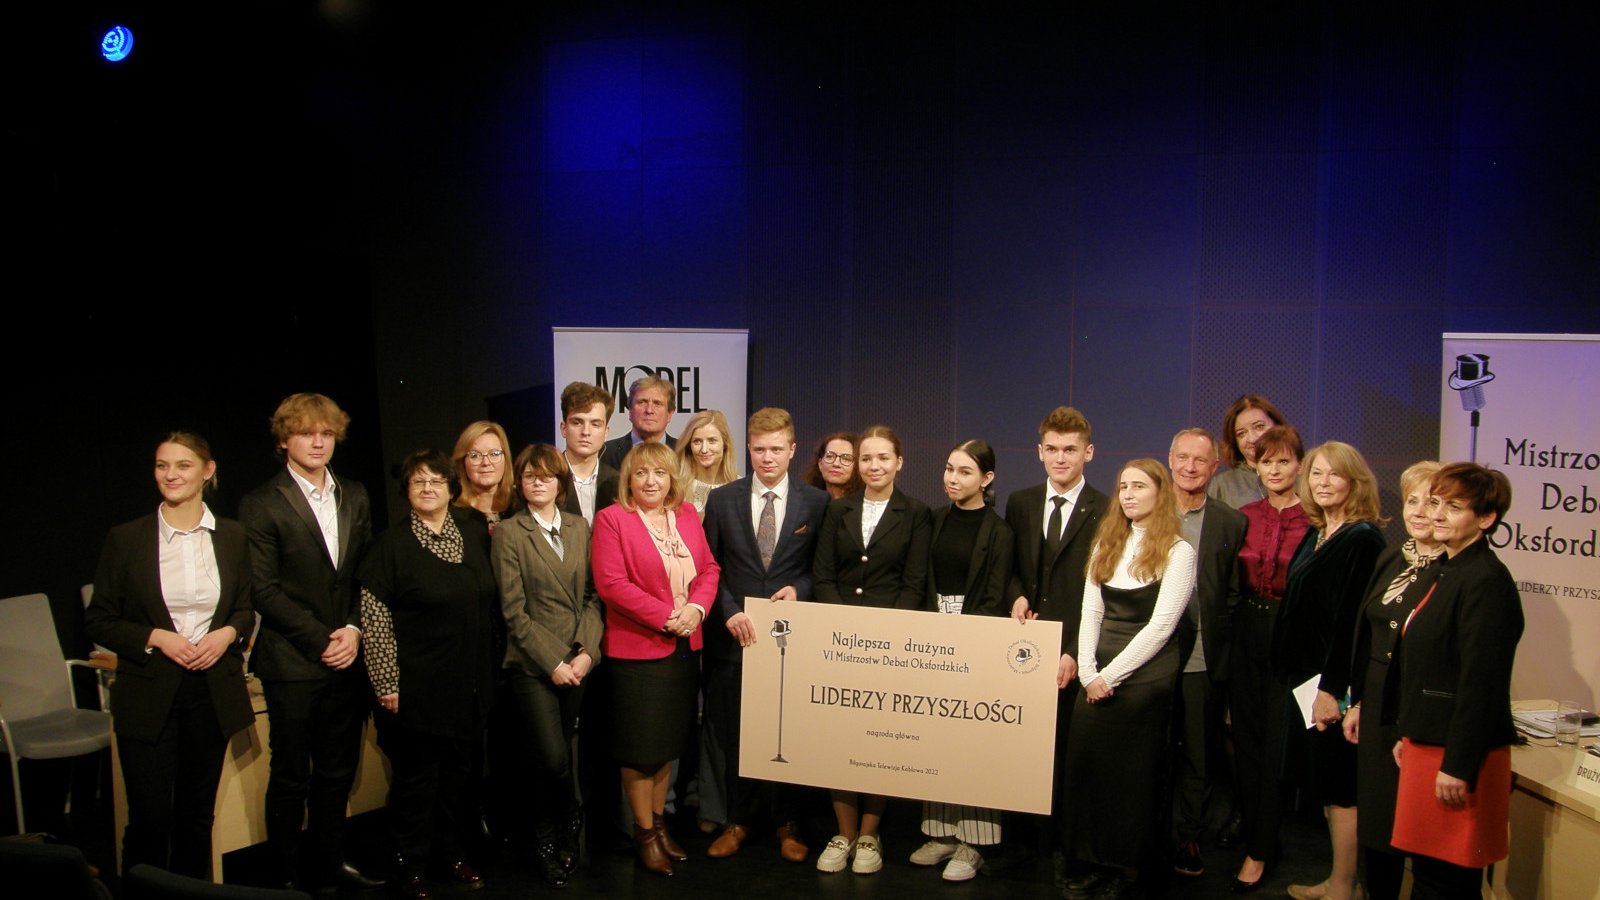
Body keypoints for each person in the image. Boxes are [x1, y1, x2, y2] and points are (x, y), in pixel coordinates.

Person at [85, 432, 255, 878]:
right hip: (148, 694)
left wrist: (228, 634)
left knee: (196, 819)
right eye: (162, 466)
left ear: (208, 471)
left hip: (210, 693)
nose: (170, 475)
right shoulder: (127, 538)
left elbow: (244, 609)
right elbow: (99, 620)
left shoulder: (232, 535)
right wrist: (157, 636)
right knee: (150, 820)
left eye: (182, 465)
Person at [237, 393, 382, 892]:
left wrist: (354, 630)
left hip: (347, 652)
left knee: (337, 772)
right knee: (291, 774)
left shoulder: (355, 494)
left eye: (326, 433)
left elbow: (365, 571)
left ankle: (330, 865)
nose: (318, 442)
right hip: (293, 659)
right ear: (284, 440)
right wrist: (324, 639)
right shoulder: (260, 502)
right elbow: (263, 589)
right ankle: (285, 877)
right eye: (305, 433)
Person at [1058, 459, 1197, 899]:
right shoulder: (1107, 541)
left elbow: (1161, 626)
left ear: (1160, 492)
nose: (1129, 494)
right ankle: (1088, 858)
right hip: (1097, 668)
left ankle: (1124, 867)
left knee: (1131, 775)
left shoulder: (1178, 552)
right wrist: (1087, 672)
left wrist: (1111, 677)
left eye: (1139, 486)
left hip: (1145, 672)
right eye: (1123, 487)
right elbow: (1091, 611)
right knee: (1087, 765)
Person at [359, 450, 495, 898]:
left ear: (452, 488)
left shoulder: (473, 531)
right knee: (417, 784)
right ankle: (411, 865)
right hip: (417, 689)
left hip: (468, 685)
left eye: (437, 481)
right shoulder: (390, 546)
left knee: (458, 780)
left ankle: (452, 855)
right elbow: (375, 619)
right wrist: (386, 683)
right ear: (406, 491)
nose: (428, 488)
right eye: (418, 482)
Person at [699, 408, 829, 862]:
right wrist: (729, 612)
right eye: (759, 449)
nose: (767, 457)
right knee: (737, 734)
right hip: (734, 639)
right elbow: (708, 567)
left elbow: (819, 569)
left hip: (791, 642)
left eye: (776, 449)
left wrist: (801, 590)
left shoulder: (817, 503)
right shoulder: (722, 500)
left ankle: (787, 823)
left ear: (792, 449)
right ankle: (738, 820)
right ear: (749, 450)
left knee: (788, 734)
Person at [1388, 464, 1522, 899]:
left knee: (1447, 882)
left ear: (1486, 518)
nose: (1438, 514)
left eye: (1454, 506)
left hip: (1458, 756)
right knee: (1429, 874)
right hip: (1429, 743)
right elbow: (1429, 665)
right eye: (1435, 503)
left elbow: (1481, 683)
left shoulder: (1486, 580)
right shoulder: (1446, 569)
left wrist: (1458, 765)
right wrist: (1409, 732)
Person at [590, 442, 721, 877]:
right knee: (639, 749)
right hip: (638, 652)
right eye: (642, 473)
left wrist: (696, 609)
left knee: (666, 746)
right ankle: (643, 833)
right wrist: (668, 617)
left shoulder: (686, 515)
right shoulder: (613, 519)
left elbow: (709, 569)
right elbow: (611, 584)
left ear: (671, 479)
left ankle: (660, 825)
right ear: (629, 479)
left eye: (659, 473)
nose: (651, 481)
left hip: (684, 649)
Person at [812, 424, 931, 875]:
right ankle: (843, 832)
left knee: (879, 740)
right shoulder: (837, 510)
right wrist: (845, 629)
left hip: (890, 646)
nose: (874, 466)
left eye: (883, 458)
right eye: (866, 459)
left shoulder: (916, 513)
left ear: (899, 463)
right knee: (839, 739)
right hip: (838, 642)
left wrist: (885, 639)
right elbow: (823, 575)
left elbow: (913, 584)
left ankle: (869, 833)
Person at [1278, 441, 1387, 900]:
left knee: (1341, 787)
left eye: (1334, 475)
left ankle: (1346, 886)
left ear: (1354, 481)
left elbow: (1351, 624)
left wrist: (1331, 688)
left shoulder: (1363, 539)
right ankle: (1339, 879)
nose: (1323, 483)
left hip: (1332, 683)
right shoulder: (1318, 530)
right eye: (1316, 474)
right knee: (1326, 784)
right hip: (1306, 679)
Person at [493, 445, 605, 887]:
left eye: (547, 476)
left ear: (561, 484)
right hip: (533, 664)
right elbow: (513, 612)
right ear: (519, 483)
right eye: (529, 476)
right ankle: (554, 830)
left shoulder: (580, 527)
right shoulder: (509, 532)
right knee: (551, 757)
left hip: (577, 660)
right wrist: (554, 661)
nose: (538, 482)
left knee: (560, 757)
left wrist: (586, 652)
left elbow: (593, 596)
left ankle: (565, 832)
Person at [1003, 406, 1107, 875]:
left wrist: (1074, 651)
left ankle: (1066, 848)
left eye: (1070, 449)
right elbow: (1010, 567)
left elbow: (1100, 587)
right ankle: (1023, 842)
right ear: (1039, 451)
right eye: (1052, 449)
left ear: (1089, 452)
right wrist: (1016, 595)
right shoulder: (1020, 502)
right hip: (1022, 644)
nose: (1060, 458)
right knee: (1021, 747)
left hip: (1072, 649)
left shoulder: (1106, 508)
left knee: (1067, 752)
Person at [908, 439, 1015, 882]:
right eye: (949, 469)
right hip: (932, 633)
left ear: (987, 479)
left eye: (965, 471)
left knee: (972, 741)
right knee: (935, 736)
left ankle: (975, 841)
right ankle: (941, 832)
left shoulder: (999, 531)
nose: (952, 479)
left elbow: (994, 595)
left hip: (976, 639)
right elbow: (921, 579)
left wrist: (967, 642)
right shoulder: (933, 519)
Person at [1340, 461, 1444, 900]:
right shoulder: (1392, 558)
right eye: (1412, 500)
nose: (1418, 511)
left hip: (1415, 714)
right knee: (1378, 830)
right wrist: (1358, 702)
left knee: (1418, 834)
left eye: (1432, 502)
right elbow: (1367, 635)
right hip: (1376, 708)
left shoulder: (1452, 571)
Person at [1228, 424, 1311, 892]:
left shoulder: (1314, 521)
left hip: (1290, 634)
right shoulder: (1243, 515)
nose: (1275, 470)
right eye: (1266, 462)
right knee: (1246, 738)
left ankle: (1260, 849)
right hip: (1244, 630)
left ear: (1299, 464)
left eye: (1283, 461)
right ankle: (1258, 838)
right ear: (1255, 467)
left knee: (1276, 744)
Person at [1166, 428, 1248, 880]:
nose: (1190, 467)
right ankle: (1148, 836)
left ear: (1214, 467)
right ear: (1170, 459)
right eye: (1183, 457)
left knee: (1198, 756)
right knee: (1152, 753)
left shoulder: (1230, 522)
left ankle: (1188, 836)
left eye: (1200, 460)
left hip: (1203, 658)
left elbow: (1233, 594)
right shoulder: (1147, 510)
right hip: (1148, 658)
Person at [1208, 394, 1287, 510]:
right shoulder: (1222, 485)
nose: (1252, 439)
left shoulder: (1301, 477)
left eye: (1259, 427)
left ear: (1277, 426)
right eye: (1241, 433)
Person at [558, 381, 619, 526]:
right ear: (564, 429)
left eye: (595, 424)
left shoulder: (619, 483)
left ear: (606, 433)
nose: (586, 432)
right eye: (577, 422)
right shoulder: (546, 479)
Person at [598, 374, 679, 471]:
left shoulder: (684, 452)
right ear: (630, 410)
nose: (649, 410)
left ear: (669, 414)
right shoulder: (605, 452)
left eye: (657, 404)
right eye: (642, 402)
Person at [452, 420, 514, 532]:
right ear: (462, 462)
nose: (486, 462)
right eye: (475, 455)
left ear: (506, 459)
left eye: (494, 454)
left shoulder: (520, 506)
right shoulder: (451, 514)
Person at [676, 409, 738, 517]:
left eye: (712, 441)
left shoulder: (741, 487)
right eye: (697, 441)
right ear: (689, 446)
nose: (704, 449)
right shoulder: (676, 488)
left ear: (725, 443)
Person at [802, 431, 862, 500]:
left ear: (858, 466)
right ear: (820, 464)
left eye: (846, 459)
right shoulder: (805, 501)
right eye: (830, 456)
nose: (836, 464)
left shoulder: (865, 504)